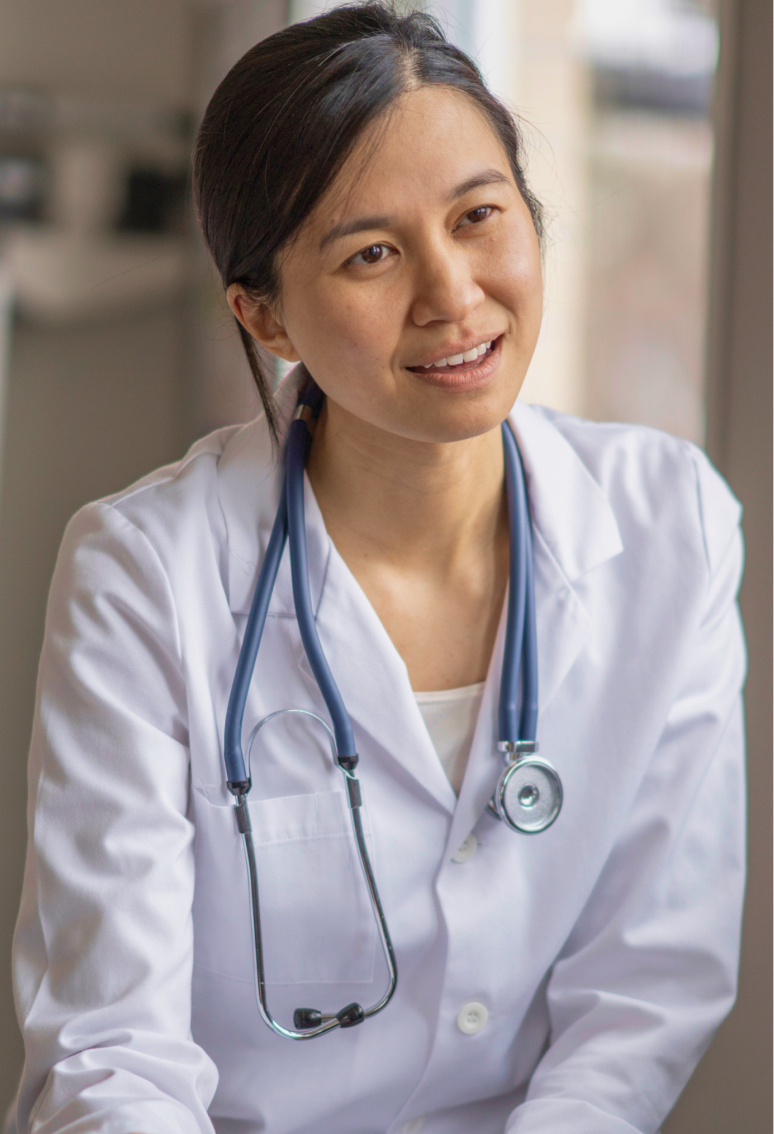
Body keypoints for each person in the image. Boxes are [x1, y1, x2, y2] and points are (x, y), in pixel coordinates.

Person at [7, 5, 746, 1133]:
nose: (452, 292)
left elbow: (644, 996)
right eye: (371, 253)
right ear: (265, 315)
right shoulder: (144, 577)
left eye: (479, 216)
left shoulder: (670, 529)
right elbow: (115, 1057)